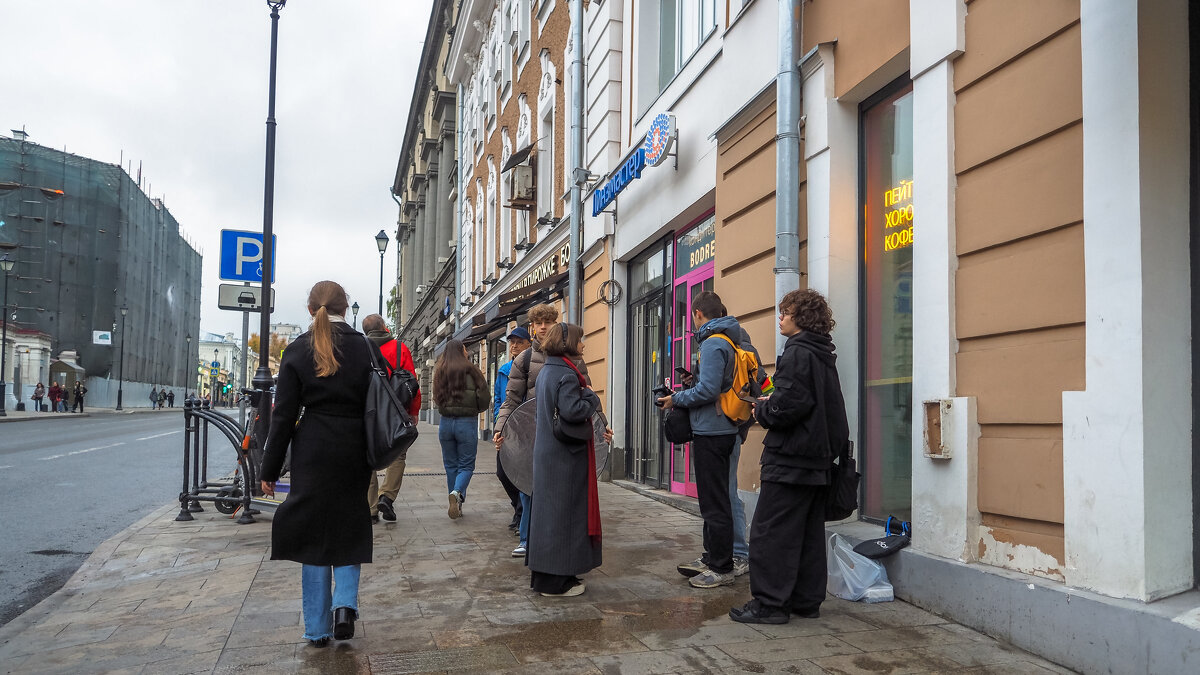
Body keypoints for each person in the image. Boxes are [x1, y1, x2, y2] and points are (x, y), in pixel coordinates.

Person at [259, 280, 375, 648]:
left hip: (311, 447)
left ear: (311, 310)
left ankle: (317, 628)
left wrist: (269, 469)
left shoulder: (296, 350)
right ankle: (344, 606)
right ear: (346, 307)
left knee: (312, 535)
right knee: (349, 524)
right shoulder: (365, 348)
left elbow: (283, 417)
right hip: (354, 447)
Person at [729, 289, 848, 625]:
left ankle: (770, 604)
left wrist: (762, 410)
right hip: (815, 459)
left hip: (792, 458)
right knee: (807, 533)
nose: (780, 317)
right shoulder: (821, 351)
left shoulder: (798, 352)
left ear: (801, 317)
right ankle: (805, 601)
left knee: (771, 532)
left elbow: (788, 405)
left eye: (786, 312)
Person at [657, 290, 744, 589]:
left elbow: (707, 391)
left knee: (715, 503)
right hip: (721, 428)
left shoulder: (713, 343)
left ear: (696, 314)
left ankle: (721, 566)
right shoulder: (729, 339)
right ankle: (712, 557)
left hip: (713, 431)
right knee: (713, 500)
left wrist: (676, 399)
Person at [493, 303, 593, 558]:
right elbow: (512, 398)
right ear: (533, 327)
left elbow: (587, 394)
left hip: (562, 432)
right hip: (530, 433)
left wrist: (602, 424)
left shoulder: (573, 359)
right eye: (539, 323)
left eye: (548, 322)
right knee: (528, 487)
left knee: (557, 489)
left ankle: (556, 539)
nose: (544, 327)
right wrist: (501, 428)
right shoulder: (524, 359)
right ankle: (527, 538)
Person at [528, 322, 602, 597]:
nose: (583, 345)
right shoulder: (567, 375)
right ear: (569, 344)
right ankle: (555, 584)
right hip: (565, 457)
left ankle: (554, 575)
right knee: (563, 518)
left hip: (549, 455)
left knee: (550, 518)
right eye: (580, 341)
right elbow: (572, 411)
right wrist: (591, 398)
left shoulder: (548, 370)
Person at [362, 313, 421, 524]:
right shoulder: (399, 348)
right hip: (397, 410)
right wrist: (413, 411)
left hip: (368, 412)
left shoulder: (360, 349)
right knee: (398, 454)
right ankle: (386, 496)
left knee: (367, 458)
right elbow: (412, 381)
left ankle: (369, 509)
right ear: (384, 327)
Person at [433, 339, 490, 519]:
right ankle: (457, 492)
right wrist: (477, 409)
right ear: (462, 350)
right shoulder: (473, 371)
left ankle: (455, 500)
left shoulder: (440, 372)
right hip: (467, 423)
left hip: (446, 424)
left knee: (451, 465)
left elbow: (436, 397)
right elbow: (484, 397)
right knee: (466, 465)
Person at [494, 326, 532, 535]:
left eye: (519, 342)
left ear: (529, 344)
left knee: (524, 472)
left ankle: (522, 515)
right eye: (512, 342)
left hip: (527, 428)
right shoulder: (503, 370)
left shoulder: (531, 365)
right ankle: (518, 507)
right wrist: (498, 423)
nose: (514, 346)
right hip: (508, 429)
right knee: (503, 472)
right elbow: (499, 400)